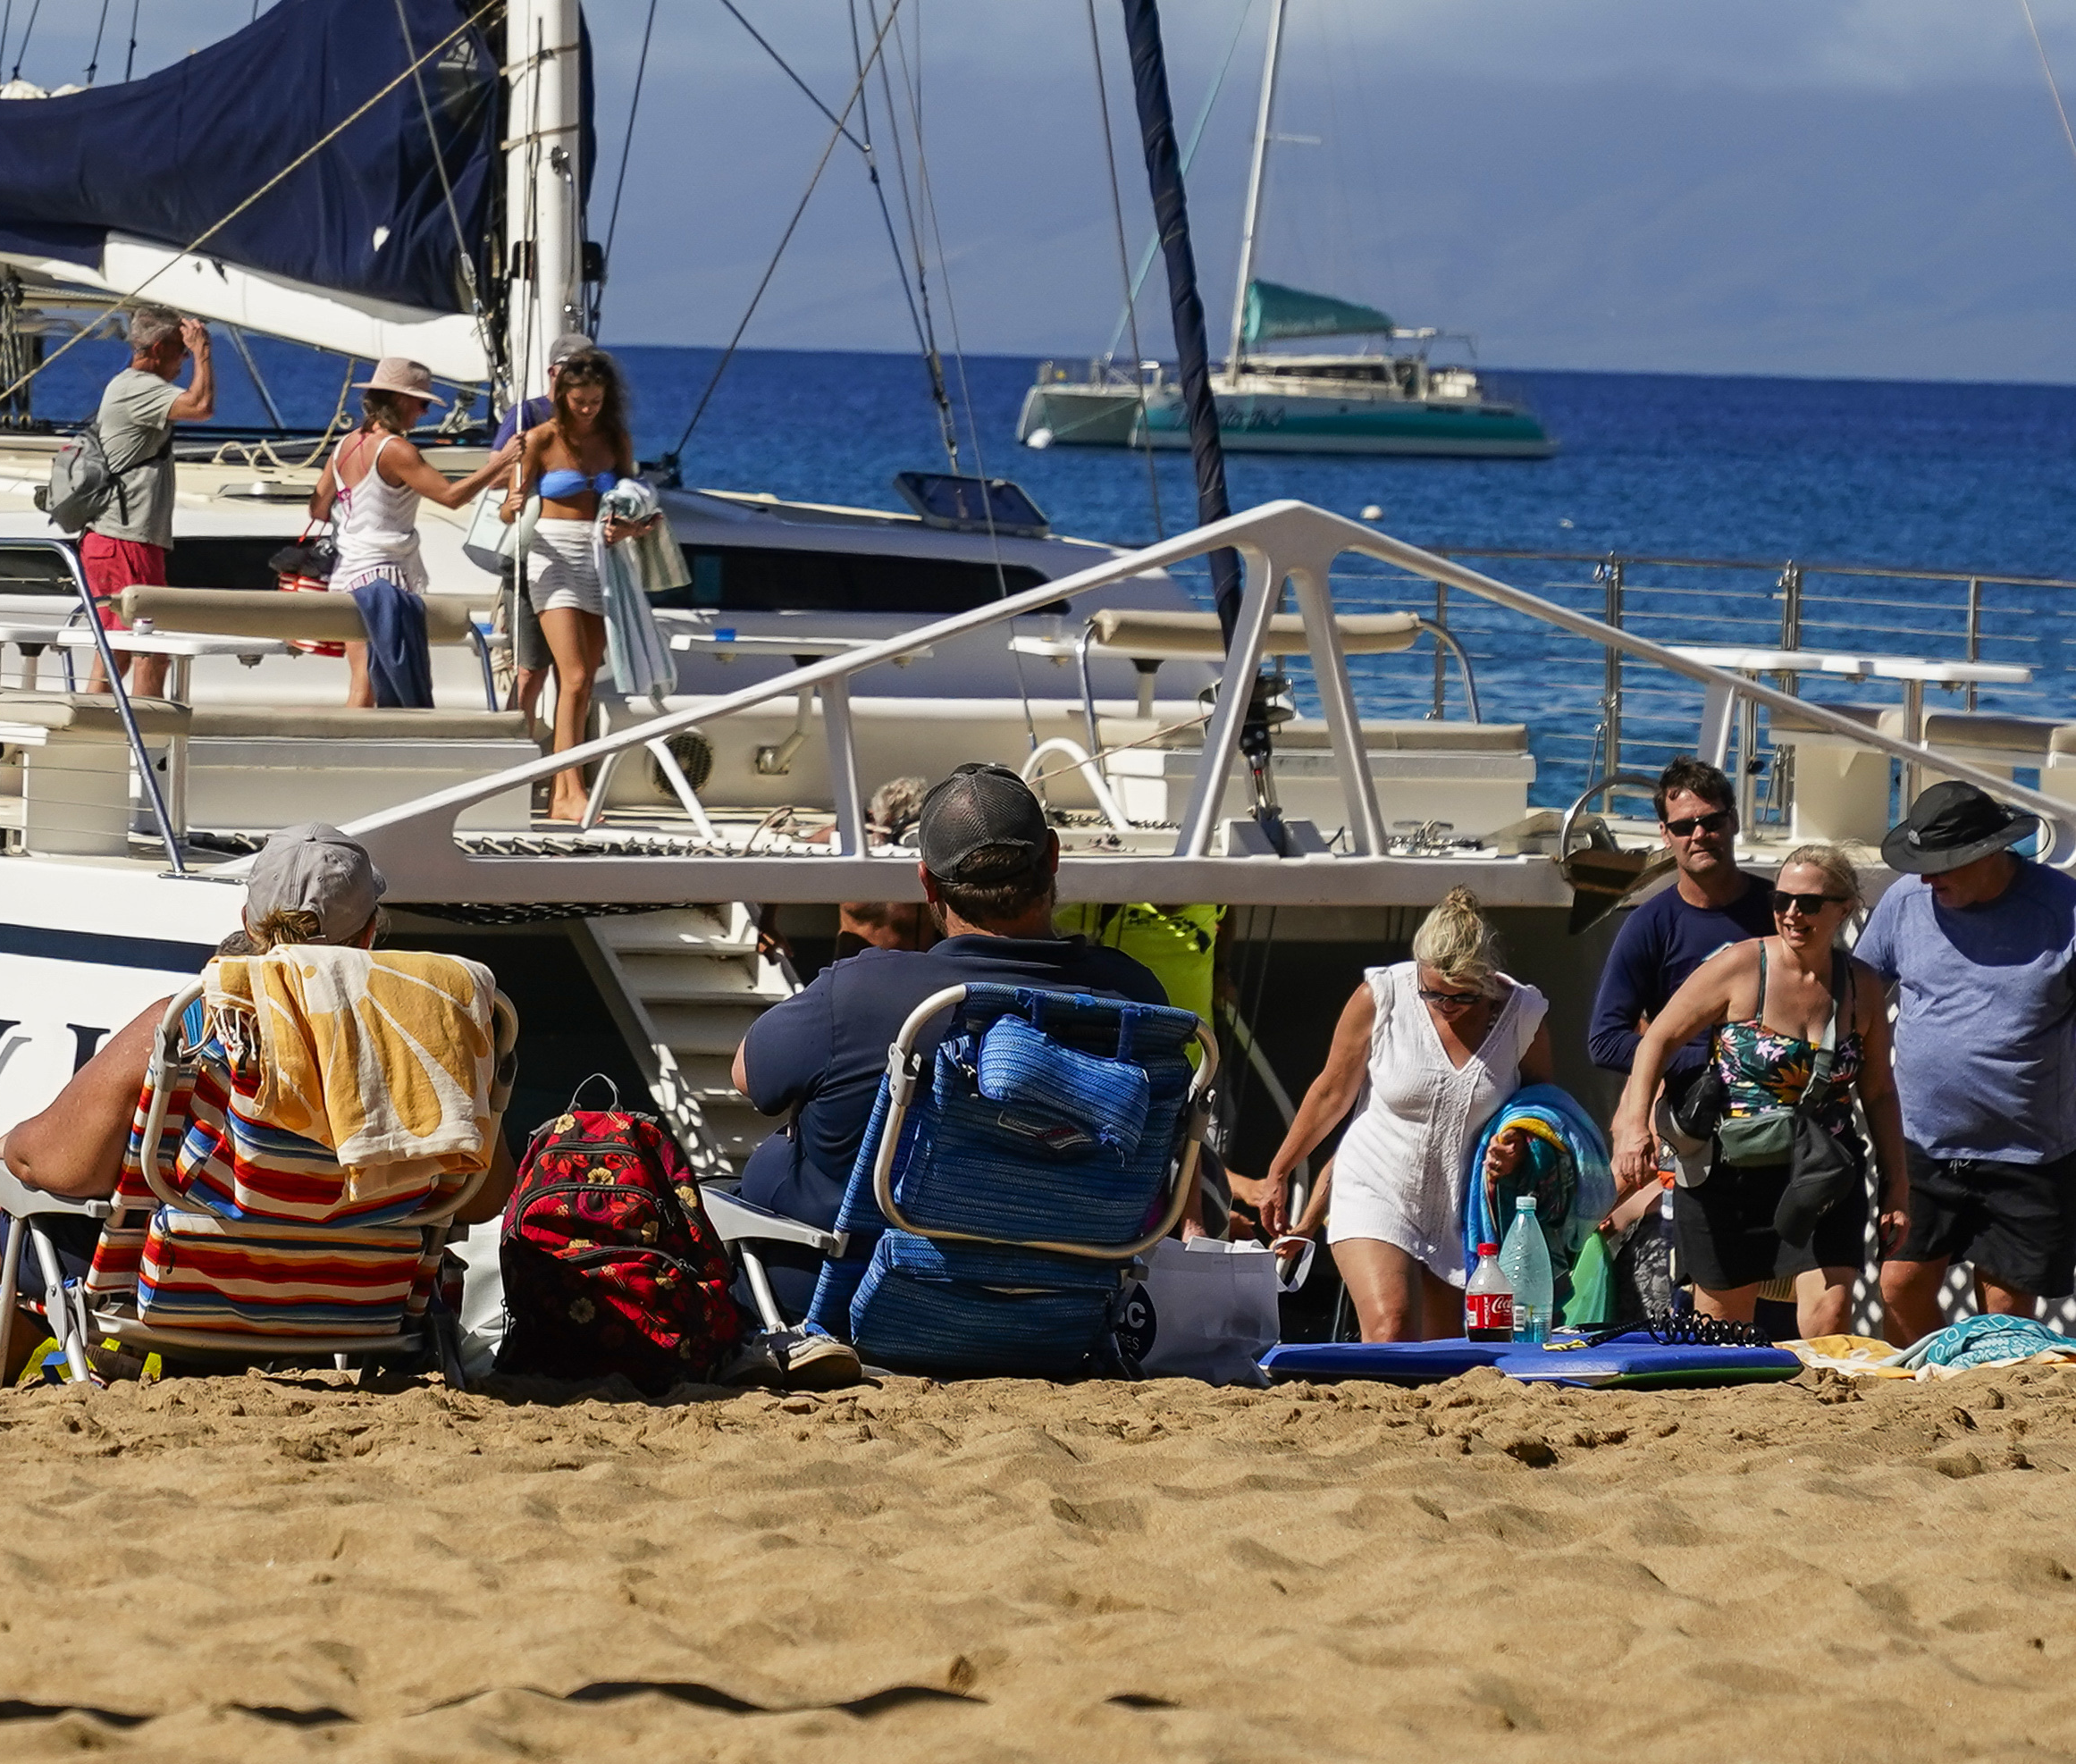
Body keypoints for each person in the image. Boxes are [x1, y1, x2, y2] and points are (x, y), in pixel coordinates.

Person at [0, 826, 384, 1388]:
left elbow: (63, 1166)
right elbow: (482, 1199)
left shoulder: (184, 1025)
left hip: (196, 1286)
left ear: (247, 923)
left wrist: (9, 1149)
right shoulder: (424, 1048)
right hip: (356, 1297)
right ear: (369, 936)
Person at [728, 767, 1164, 1264]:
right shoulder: (1135, 999)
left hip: (847, 1305)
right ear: (1054, 856)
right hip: (1059, 1306)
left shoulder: (859, 994)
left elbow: (747, 1076)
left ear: (927, 884)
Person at [1614, 844, 1907, 1340]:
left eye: (1809, 903)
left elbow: (1877, 1092)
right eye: (1782, 899)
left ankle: (1822, 1414)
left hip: (1822, 1171)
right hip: (1731, 1175)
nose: (1792, 913)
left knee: (1830, 1320)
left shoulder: (1862, 987)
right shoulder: (1741, 967)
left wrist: (1896, 1186)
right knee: (1723, 1332)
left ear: (1844, 908)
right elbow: (1658, 1038)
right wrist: (1632, 1126)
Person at [1253, 891, 1555, 1340]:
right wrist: (1279, 1171)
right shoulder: (1384, 995)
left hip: (1462, 1206)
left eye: (1463, 997)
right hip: (1375, 1184)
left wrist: (1518, 1146)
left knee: (1446, 1353)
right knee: (1391, 1328)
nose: (1446, 1006)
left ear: (1488, 980)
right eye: (1433, 993)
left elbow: (1541, 1108)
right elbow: (1331, 1093)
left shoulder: (1522, 1014)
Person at [1854, 778, 2076, 1340]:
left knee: (2003, 1311)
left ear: (1989, 853)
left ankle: (1979, 1408)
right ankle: (1932, 1388)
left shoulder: (2063, 910)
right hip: (1921, 1144)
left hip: (2028, 1152)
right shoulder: (1905, 901)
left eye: (1942, 863)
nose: (1927, 876)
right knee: (1899, 1286)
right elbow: (1857, 999)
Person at [1584, 757, 1776, 1322]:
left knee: (1785, 1287)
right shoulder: (1651, 923)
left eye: (1711, 820)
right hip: (1698, 1132)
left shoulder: (1780, 912)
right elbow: (1605, 1039)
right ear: (1664, 836)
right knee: (1706, 1276)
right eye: (1684, 825)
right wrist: (1714, 1059)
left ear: (1734, 822)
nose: (1700, 834)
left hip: (1783, 1126)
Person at [492, 346, 660, 815]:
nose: (587, 410)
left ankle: (565, 792)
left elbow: (634, 502)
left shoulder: (616, 439)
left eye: (595, 401)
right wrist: (518, 497)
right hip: (550, 554)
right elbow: (508, 509)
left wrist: (630, 526)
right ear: (562, 395)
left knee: (582, 685)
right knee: (575, 673)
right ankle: (569, 791)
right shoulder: (539, 439)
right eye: (579, 401)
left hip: (599, 557)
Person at [304, 357, 497, 710]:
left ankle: (346, 753)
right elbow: (451, 497)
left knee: (362, 677)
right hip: (382, 575)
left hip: (346, 572)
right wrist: (499, 463)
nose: (424, 413)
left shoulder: (346, 444)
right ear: (400, 400)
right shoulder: (396, 450)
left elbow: (317, 508)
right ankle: (358, 753)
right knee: (375, 681)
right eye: (422, 403)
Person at [79, 309, 212, 701]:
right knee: (150, 649)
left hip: (111, 538)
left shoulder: (129, 386)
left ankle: (87, 731)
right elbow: (201, 405)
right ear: (157, 349)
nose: (183, 360)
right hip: (127, 539)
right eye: (180, 352)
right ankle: (147, 745)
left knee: (115, 650)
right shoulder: (137, 386)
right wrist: (204, 353)